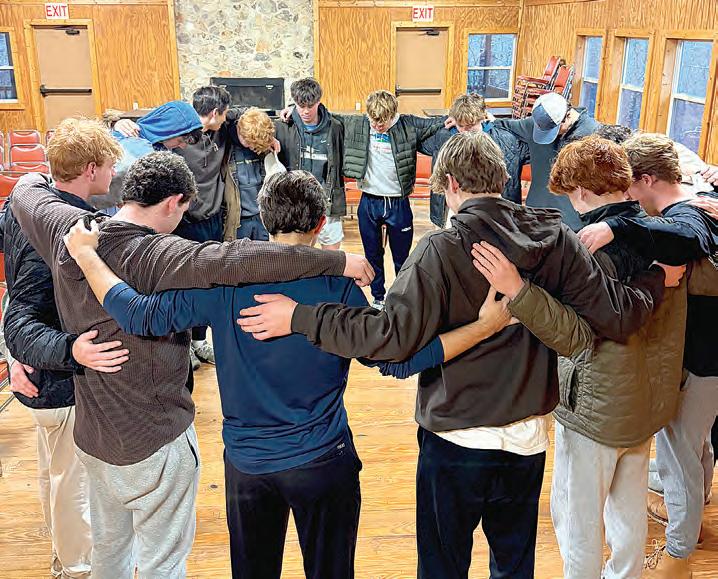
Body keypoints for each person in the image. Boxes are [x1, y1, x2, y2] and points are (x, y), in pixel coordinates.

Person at [235, 131, 667, 578]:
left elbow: (389, 340)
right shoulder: (556, 236)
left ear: (451, 185)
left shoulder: (439, 250)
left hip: (456, 439)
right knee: (514, 566)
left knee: (443, 566)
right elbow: (612, 319)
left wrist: (302, 317)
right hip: (528, 438)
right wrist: (654, 276)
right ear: (501, 178)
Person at [62, 169, 515, 579]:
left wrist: (87, 258)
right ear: (321, 224)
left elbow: (138, 315)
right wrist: (483, 327)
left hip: (247, 467)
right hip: (323, 462)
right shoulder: (340, 287)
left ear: (264, 220)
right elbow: (397, 361)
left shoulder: (223, 284)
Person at [9, 151, 373, 579]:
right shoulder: (167, 255)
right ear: (173, 202)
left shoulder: (66, 228)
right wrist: (337, 262)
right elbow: (251, 261)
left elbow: (24, 193)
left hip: (106, 437)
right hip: (182, 441)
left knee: (110, 551)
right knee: (165, 562)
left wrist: (47, 186)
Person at [473, 135, 689, 579]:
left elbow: (577, 331)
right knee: (628, 510)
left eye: (571, 196)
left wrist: (518, 292)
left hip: (596, 406)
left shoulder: (588, 248)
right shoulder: (663, 235)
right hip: (645, 402)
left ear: (583, 193)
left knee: (578, 520)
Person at [577, 133, 718, 579]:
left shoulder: (689, 215)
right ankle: (691, 524)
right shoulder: (702, 199)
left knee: (680, 457)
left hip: (703, 362)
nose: (627, 198)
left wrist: (615, 227)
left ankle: (679, 554)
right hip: (706, 359)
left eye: (628, 186)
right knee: (695, 448)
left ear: (648, 179)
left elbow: (684, 237)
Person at [0, 118, 130, 579]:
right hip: (56, 377)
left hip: (42, 373)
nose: (114, 172)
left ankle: (64, 555)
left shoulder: (25, 205)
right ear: (91, 169)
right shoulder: (65, 232)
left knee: (55, 474)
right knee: (73, 484)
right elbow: (22, 317)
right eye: (109, 164)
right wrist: (73, 349)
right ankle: (77, 567)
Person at [336, 90, 443, 309]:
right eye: (373, 121)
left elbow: (437, 122)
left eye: (382, 122)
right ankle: (378, 298)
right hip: (370, 201)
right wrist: (292, 112)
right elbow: (326, 117)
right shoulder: (359, 123)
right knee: (372, 255)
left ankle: (402, 297)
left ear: (393, 115)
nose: (377, 126)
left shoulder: (408, 125)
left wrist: (474, 118)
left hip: (397, 203)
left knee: (402, 258)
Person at [491, 91, 601, 230]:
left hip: (572, 224)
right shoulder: (535, 125)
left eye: (553, 130)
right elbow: (505, 125)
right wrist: (486, 120)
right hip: (535, 217)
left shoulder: (593, 135)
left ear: (567, 116)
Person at [420, 93, 529, 226]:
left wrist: (497, 122)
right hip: (455, 207)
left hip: (494, 210)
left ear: (482, 118)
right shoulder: (444, 137)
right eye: (461, 125)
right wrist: (442, 121)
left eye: (471, 125)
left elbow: (534, 135)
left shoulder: (505, 139)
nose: (465, 131)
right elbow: (415, 137)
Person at [275, 78, 346, 251]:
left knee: (331, 257)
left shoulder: (335, 127)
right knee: (300, 257)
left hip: (327, 202)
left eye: (310, 106)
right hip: (295, 205)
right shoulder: (283, 126)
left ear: (319, 101)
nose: (306, 111)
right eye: (301, 106)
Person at [93, 100, 203, 211]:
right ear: (168, 130)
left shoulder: (151, 141)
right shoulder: (138, 150)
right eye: (180, 141)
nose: (182, 146)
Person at [225, 107, 283, 242]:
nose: (253, 148)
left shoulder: (260, 141)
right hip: (237, 219)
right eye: (250, 144)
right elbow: (228, 114)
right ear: (240, 132)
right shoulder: (224, 141)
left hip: (262, 216)